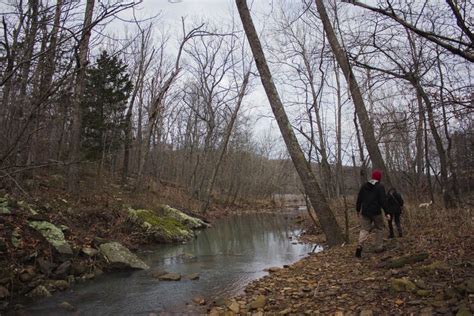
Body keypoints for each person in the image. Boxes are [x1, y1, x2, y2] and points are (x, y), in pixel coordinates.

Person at [355, 169, 387, 258]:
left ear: (372, 177)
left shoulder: (364, 186)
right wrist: (387, 212)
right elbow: (383, 200)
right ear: (379, 178)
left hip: (365, 212)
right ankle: (378, 247)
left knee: (364, 230)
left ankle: (360, 245)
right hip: (376, 212)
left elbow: (359, 199)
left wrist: (358, 210)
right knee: (379, 228)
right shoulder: (380, 186)